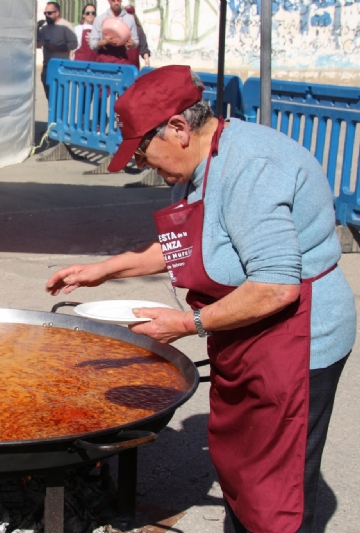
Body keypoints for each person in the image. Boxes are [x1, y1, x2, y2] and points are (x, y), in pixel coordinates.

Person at [46, 66, 356, 533]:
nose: (146, 165)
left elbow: (275, 286)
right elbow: (192, 248)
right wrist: (104, 271)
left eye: (144, 152)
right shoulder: (199, 163)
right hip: (245, 326)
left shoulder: (250, 168)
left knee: (276, 484)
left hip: (295, 337)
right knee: (242, 465)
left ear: (177, 128)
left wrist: (188, 324)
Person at [36, 2, 77, 99]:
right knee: (50, 99)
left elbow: (74, 43)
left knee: (60, 100)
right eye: (45, 13)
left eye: (49, 13)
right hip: (47, 68)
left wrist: (56, 48)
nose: (46, 15)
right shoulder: (44, 27)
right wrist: (37, 27)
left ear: (57, 13)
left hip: (61, 68)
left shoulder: (66, 26)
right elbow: (38, 43)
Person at [88, 0, 138, 64]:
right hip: (103, 61)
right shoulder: (99, 19)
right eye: (113, 0)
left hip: (122, 61)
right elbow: (92, 44)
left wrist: (132, 44)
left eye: (118, 0)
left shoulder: (129, 19)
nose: (116, 3)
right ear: (109, 1)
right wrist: (105, 42)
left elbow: (135, 41)